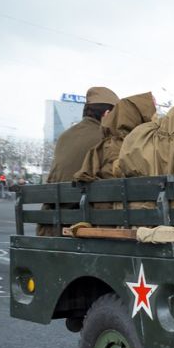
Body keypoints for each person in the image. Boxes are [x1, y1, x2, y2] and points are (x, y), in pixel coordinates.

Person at [38, 86, 119, 236]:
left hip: (51, 225)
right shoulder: (107, 139)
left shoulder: (64, 136)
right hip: (83, 227)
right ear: (107, 114)